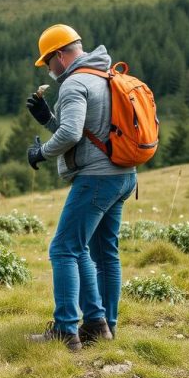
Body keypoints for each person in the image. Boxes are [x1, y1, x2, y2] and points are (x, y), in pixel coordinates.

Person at [25, 24, 137, 351]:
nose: (48, 68)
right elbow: (92, 129)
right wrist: (48, 119)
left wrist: (41, 152)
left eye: (48, 61)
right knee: (102, 252)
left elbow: (72, 134)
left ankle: (65, 329)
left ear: (60, 55)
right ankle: (102, 327)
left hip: (96, 180)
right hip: (123, 176)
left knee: (64, 249)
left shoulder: (74, 83)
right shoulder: (105, 76)